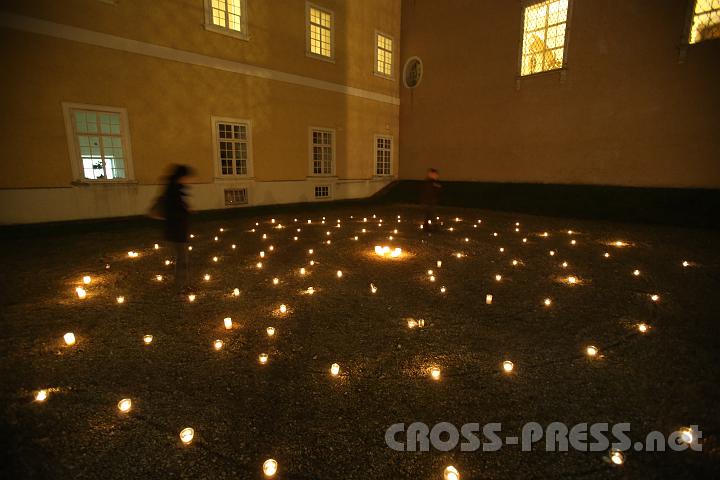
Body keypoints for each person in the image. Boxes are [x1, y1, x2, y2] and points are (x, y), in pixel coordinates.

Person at [160, 164, 193, 290]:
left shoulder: (175, 188)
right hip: (177, 230)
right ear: (182, 176)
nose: (188, 180)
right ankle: (182, 285)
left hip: (176, 230)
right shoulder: (174, 191)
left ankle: (182, 284)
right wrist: (186, 210)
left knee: (182, 258)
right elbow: (174, 211)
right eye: (187, 177)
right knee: (182, 259)